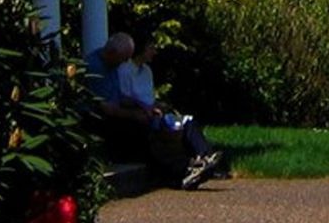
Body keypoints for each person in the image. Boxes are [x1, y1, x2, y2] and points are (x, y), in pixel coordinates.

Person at [90, 32, 227, 188]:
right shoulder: (97, 69)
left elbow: (121, 98)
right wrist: (136, 114)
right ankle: (182, 171)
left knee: (181, 123)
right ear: (112, 54)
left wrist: (145, 106)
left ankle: (200, 161)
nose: (125, 62)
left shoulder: (114, 65)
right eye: (124, 58)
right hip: (103, 121)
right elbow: (108, 109)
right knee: (146, 134)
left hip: (132, 114)